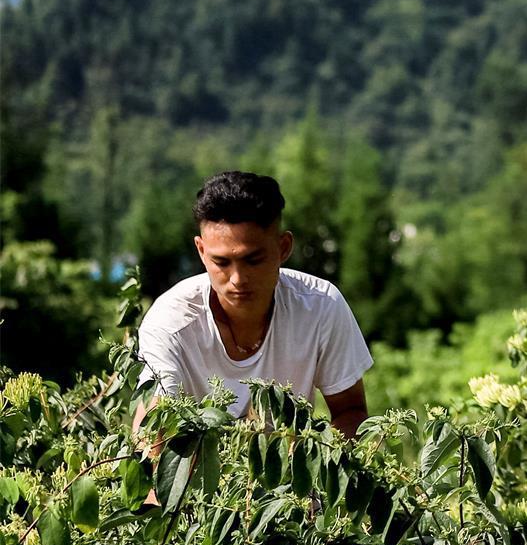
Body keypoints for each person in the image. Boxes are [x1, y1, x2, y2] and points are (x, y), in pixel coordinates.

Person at [137, 171, 373, 438]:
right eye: (221, 263)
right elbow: (152, 434)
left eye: (253, 260)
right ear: (201, 251)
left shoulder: (320, 306)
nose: (238, 279)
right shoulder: (170, 323)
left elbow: (350, 412)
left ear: (283, 248)